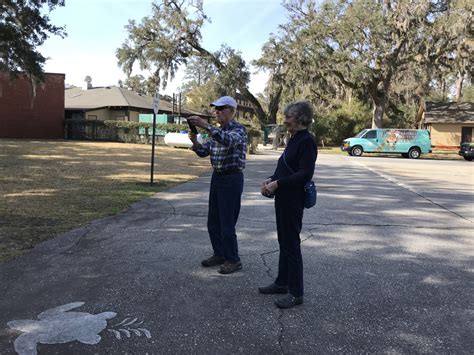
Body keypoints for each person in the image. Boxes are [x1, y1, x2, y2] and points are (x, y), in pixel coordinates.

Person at [259, 101, 317, 308]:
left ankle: (296, 292)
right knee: (284, 242)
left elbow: (304, 174)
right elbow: (287, 168)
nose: (285, 120)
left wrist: (278, 183)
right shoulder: (294, 139)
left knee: (291, 245)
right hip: (283, 198)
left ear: (300, 118)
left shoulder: (307, 141)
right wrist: (270, 179)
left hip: (293, 200)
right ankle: (282, 283)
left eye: (289, 117)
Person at [187, 96, 247, 275]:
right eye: (216, 109)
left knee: (227, 222)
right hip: (218, 177)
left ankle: (233, 260)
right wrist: (196, 143)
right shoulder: (217, 131)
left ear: (231, 110)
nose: (217, 112)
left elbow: (228, 140)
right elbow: (205, 152)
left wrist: (206, 126)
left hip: (232, 178)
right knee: (213, 221)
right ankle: (219, 254)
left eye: (221, 109)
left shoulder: (239, 130)